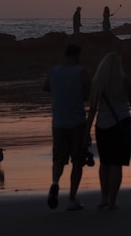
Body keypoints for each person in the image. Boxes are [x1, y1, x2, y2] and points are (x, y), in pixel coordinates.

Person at [43, 44, 92, 210]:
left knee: (58, 159)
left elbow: (45, 87)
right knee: (78, 161)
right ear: (78, 56)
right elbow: (89, 94)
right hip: (77, 122)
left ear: (64, 55)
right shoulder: (82, 73)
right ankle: (71, 198)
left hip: (58, 122)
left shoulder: (53, 71)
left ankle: (55, 183)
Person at [86, 52, 131, 210]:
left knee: (105, 163)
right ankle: (112, 201)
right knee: (117, 163)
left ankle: (103, 198)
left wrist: (86, 130)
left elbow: (93, 108)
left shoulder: (97, 82)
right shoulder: (125, 81)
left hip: (101, 125)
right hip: (121, 123)